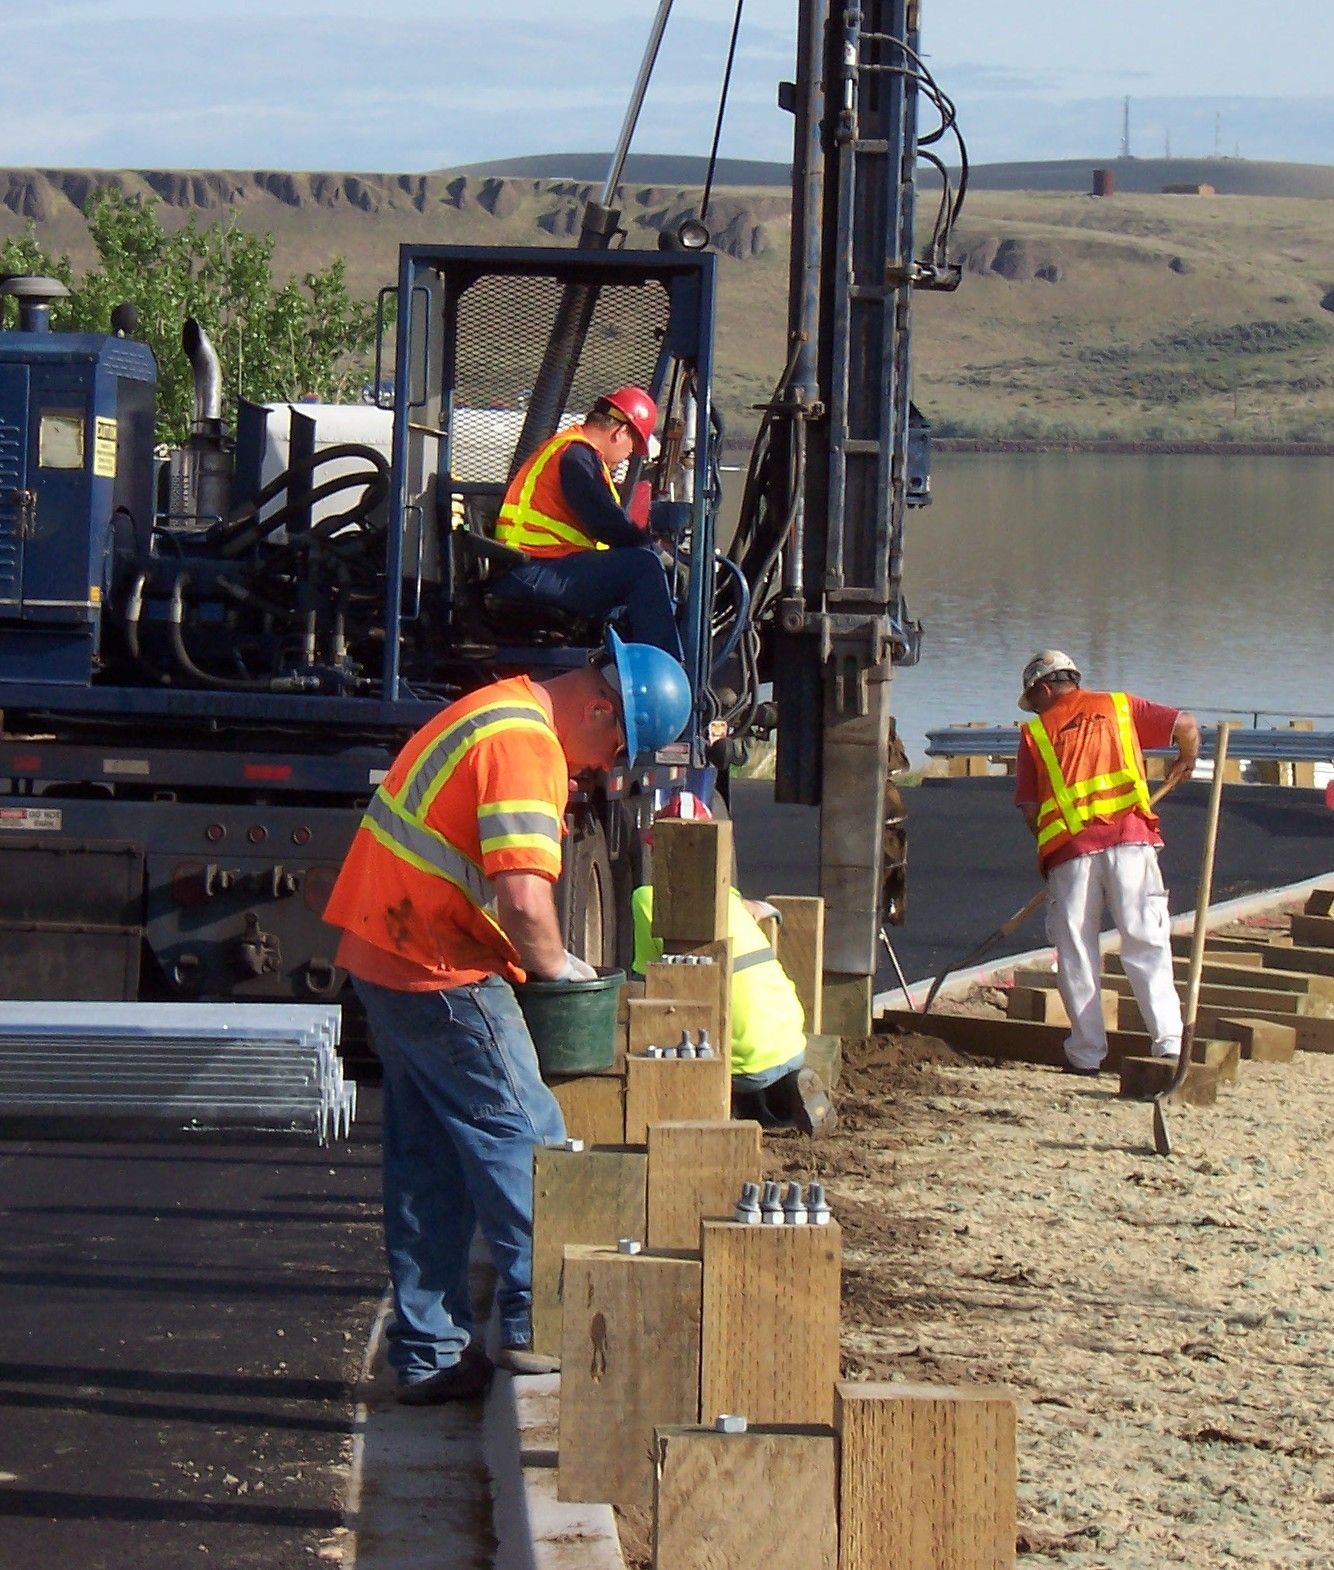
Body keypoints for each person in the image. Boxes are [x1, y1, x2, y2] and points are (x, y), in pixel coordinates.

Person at [323, 631, 692, 1404]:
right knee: (527, 1135)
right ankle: (539, 1325)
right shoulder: (526, 746)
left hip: (386, 951)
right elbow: (524, 899)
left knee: (428, 1158)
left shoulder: (495, 710)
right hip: (436, 959)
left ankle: (430, 1353)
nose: (602, 768)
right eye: (614, 749)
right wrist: (558, 967)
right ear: (600, 709)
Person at [1013, 650, 1200, 1077]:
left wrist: (1052, 851)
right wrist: (1186, 759)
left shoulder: (1034, 734)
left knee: (1076, 953)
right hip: (1131, 844)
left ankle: (1085, 1055)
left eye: (1034, 700)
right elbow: (1187, 725)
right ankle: (1170, 1044)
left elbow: (1030, 810)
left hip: (1070, 855)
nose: (1036, 710)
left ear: (1044, 690)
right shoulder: (1119, 706)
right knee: (1146, 941)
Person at [630, 791, 836, 1136]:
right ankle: (778, 1098)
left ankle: (740, 1103)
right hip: (791, 1039)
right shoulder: (732, 899)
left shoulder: (647, 899)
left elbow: (647, 983)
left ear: (657, 850)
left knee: (655, 1031)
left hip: (740, 1060)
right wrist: (767, 909)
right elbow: (751, 909)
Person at [489, 386, 685, 659]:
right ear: (620, 432)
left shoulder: (576, 454)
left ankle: (630, 668)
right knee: (644, 568)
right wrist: (660, 555)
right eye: (633, 446)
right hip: (533, 571)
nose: (629, 455)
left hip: (542, 567)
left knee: (633, 589)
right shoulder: (575, 456)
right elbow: (608, 523)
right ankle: (666, 669)